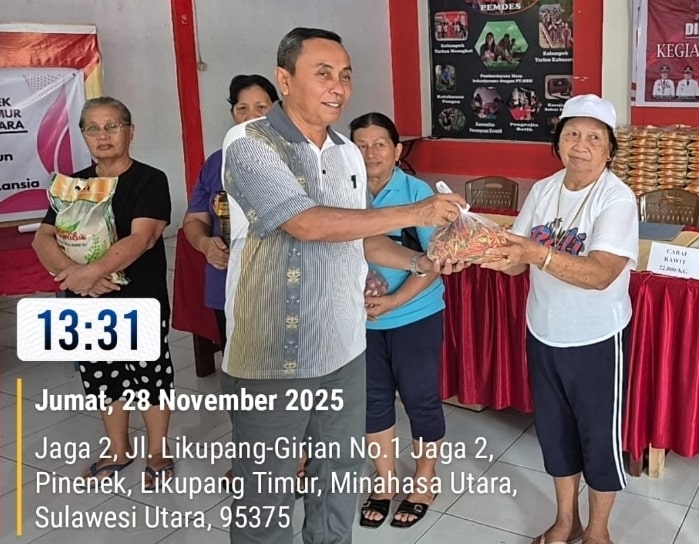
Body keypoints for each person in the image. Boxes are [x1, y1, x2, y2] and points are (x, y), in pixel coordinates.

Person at [220, 27, 466, 544]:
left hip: (344, 350)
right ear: (284, 79)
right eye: (323, 74)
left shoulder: (346, 154)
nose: (338, 87)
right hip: (272, 354)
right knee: (265, 498)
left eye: (346, 75)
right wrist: (417, 212)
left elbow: (363, 237)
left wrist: (424, 261)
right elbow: (306, 223)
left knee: (337, 486)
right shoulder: (249, 142)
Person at [481, 94, 639, 544]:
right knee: (554, 433)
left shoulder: (616, 198)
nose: (581, 145)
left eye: (594, 137)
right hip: (544, 331)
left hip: (596, 338)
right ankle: (566, 520)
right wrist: (477, 249)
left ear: (610, 149)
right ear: (558, 142)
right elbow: (516, 260)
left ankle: (598, 531)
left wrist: (537, 254)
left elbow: (601, 274)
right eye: (572, 134)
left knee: (598, 438)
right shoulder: (544, 189)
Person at [32, 96, 174, 488]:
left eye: (112, 126)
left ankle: (158, 451)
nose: (103, 135)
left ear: (130, 131)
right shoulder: (71, 185)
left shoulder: (150, 180)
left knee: (149, 377)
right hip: (86, 300)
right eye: (92, 128)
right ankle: (118, 449)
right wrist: (76, 277)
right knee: (100, 376)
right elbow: (42, 239)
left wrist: (90, 272)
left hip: (138, 297)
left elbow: (142, 238)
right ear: (83, 136)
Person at [349, 112, 448, 529]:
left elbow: (435, 262)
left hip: (414, 315)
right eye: (360, 145)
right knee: (372, 401)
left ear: (397, 150)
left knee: (420, 398)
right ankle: (385, 480)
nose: (370, 153)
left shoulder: (417, 194)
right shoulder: (343, 192)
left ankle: (425, 479)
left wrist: (392, 301)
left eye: (380, 145)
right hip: (360, 323)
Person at [183, 74, 279, 347]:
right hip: (228, 282)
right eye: (242, 108)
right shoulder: (216, 162)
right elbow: (194, 219)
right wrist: (204, 244)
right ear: (233, 114)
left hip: (281, 286)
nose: (251, 116)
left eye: (261, 107)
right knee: (237, 359)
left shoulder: (294, 158)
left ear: (276, 110)